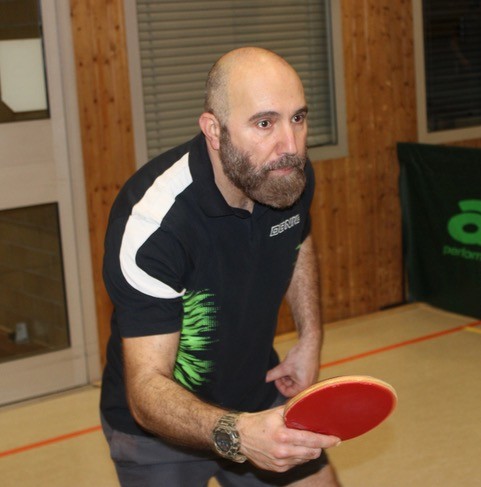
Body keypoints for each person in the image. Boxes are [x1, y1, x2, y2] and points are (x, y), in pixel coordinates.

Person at [100, 46, 342, 486]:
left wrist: (310, 336)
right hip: (159, 432)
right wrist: (238, 433)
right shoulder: (154, 225)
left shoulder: (284, 175)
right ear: (214, 130)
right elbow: (147, 387)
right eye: (264, 123)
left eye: (298, 118)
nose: (290, 145)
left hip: (257, 392)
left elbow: (298, 238)